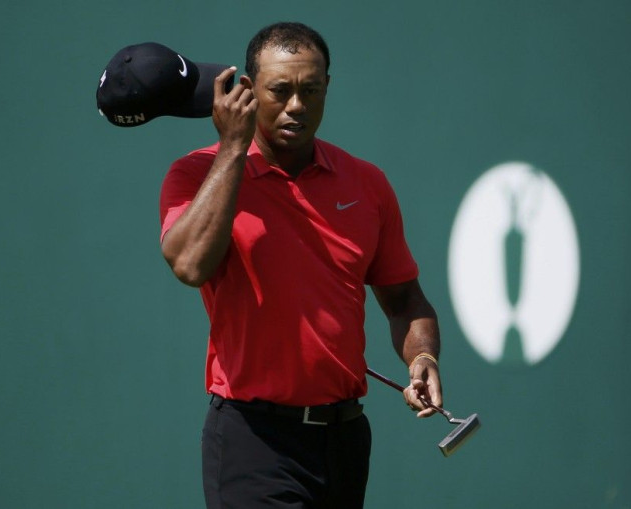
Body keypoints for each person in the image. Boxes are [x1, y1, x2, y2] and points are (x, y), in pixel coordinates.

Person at [159, 22, 443, 509]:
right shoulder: (196, 172)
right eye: (280, 91)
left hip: (345, 440)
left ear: (327, 87)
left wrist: (422, 358)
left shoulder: (366, 183)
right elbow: (189, 265)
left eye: (310, 90)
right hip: (254, 439)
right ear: (248, 91)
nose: (297, 106)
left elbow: (404, 301)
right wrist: (233, 146)